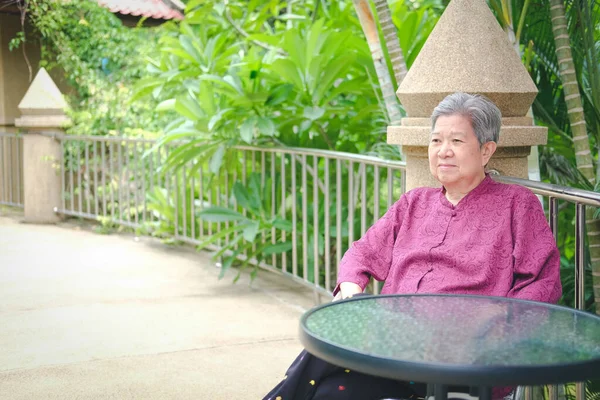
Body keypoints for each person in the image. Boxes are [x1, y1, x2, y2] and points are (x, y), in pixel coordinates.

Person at [263, 92, 562, 400]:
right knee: (330, 393)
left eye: (457, 142)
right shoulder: (414, 202)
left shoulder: (516, 205)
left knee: (327, 346)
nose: (443, 151)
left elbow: (543, 284)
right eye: (436, 141)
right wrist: (351, 290)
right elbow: (363, 251)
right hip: (393, 347)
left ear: (486, 150)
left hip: (465, 358)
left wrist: (495, 323)